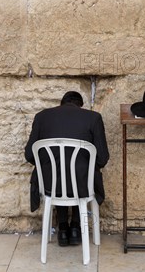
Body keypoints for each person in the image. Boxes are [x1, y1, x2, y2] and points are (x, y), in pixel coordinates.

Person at [24, 90, 109, 247]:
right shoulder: (93, 118)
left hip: (50, 185)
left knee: (59, 174)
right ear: (80, 105)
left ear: (61, 103)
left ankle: (63, 228)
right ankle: (75, 227)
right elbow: (102, 159)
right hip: (82, 185)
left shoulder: (42, 117)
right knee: (80, 174)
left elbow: (29, 155)